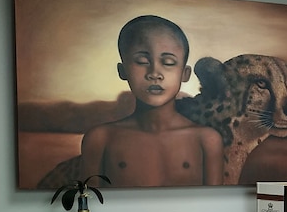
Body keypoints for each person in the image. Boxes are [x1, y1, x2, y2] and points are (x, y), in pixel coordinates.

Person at [80, 15, 224, 186]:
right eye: (142, 61)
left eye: (168, 62)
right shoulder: (101, 139)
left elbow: (214, 200)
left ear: (185, 74)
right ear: (122, 70)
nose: (154, 73)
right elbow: (88, 200)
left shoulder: (207, 140)